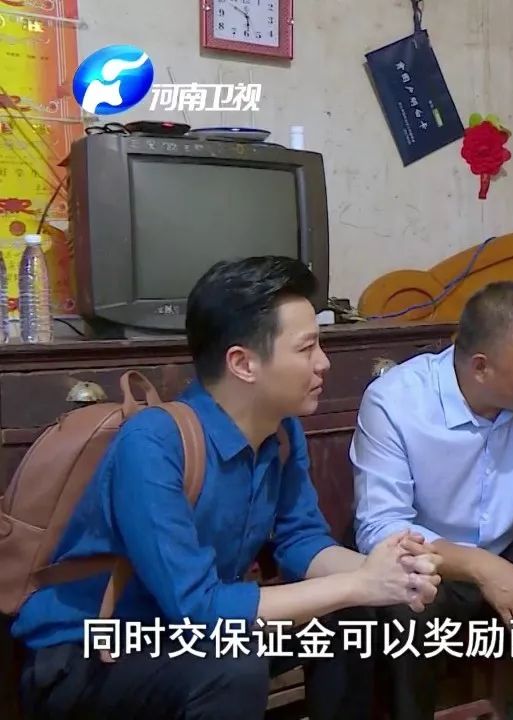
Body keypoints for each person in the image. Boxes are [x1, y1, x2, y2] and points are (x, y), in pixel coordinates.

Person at [12, 256, 442, 720]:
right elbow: (197, 609)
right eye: (306, 348)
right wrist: (359, 583)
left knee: (353, 616)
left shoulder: (281, 430)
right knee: (232, 665)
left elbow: (302, 542)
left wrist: (386, 573)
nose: (323, 363)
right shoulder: (153, 444)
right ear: (242, 363)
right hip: (88, 654)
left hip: (189, 635)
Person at [350, 280, 513, 720]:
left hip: (508, 544)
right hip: (432, 557)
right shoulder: (395, 402)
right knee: (404, 602)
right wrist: (481, 567)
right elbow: (381, 529)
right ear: (481, 368)